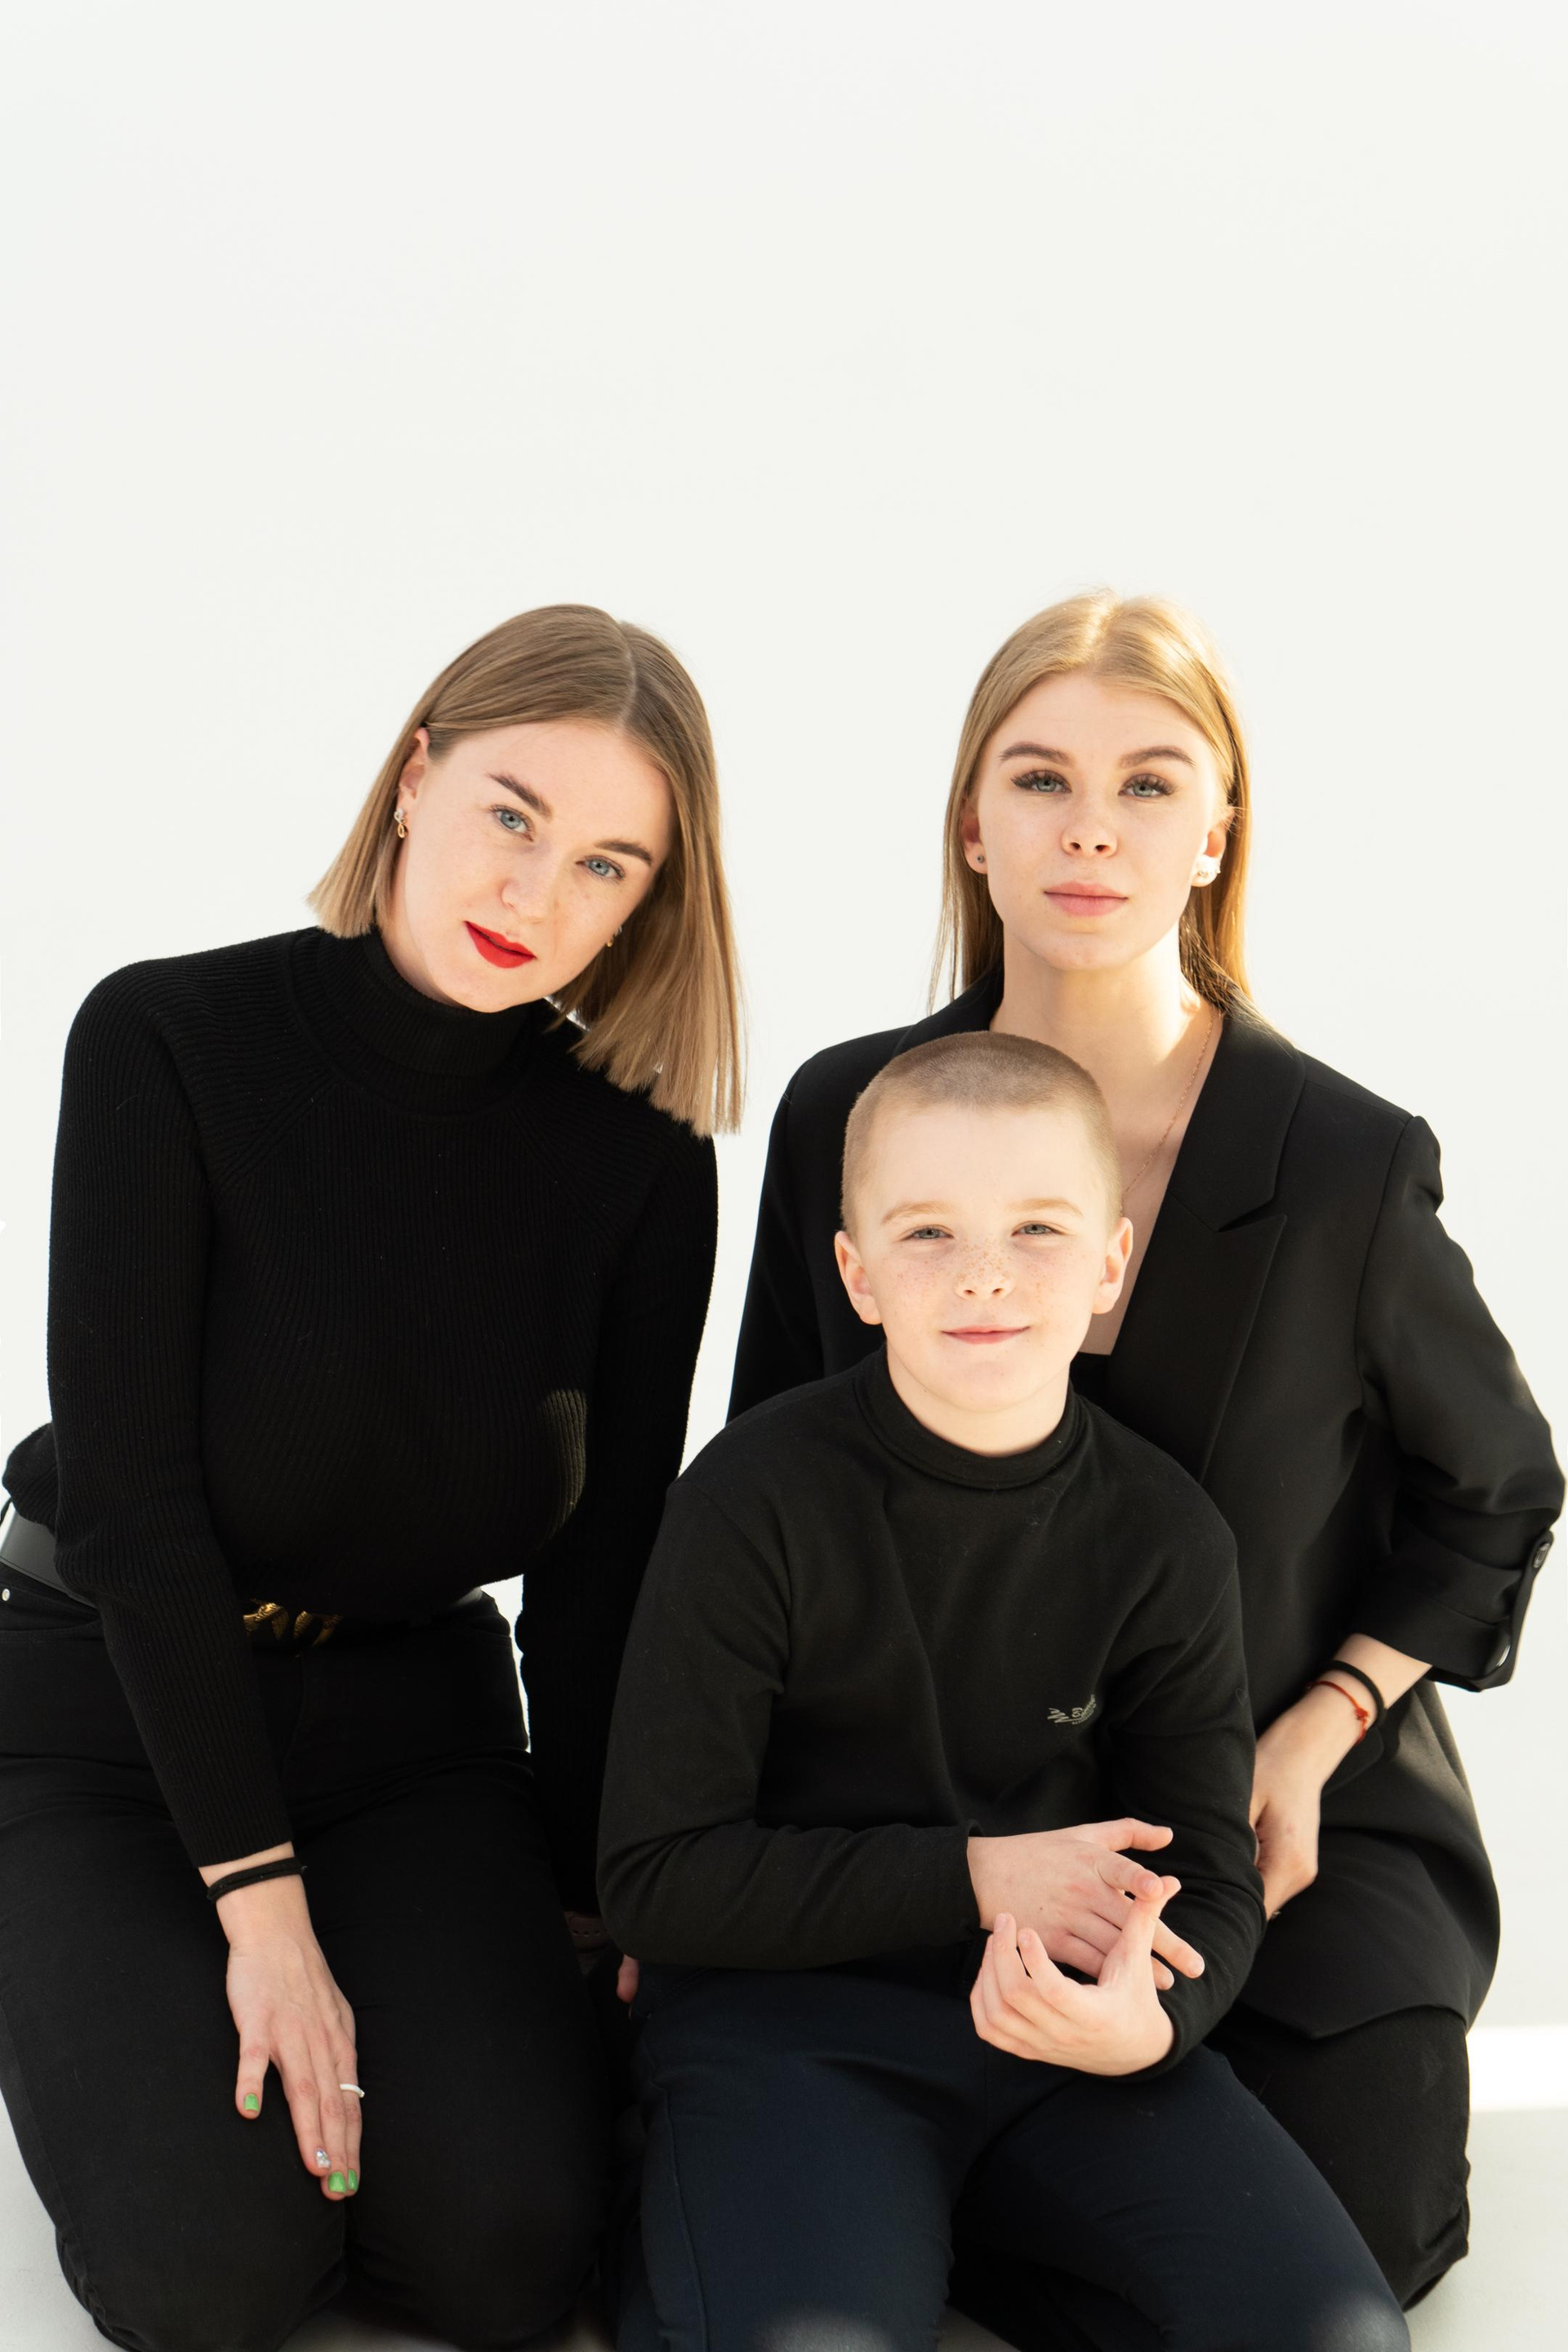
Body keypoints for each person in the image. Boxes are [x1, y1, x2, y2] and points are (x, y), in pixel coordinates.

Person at [725, 590, 1561, 2319]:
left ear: (1218, 831)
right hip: (945, 1825)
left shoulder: (1343, 1162)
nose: (1092, 828)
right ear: (973, 826)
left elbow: (1497, 1492)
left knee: (1357, 2243)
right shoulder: (847, 1116)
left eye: (1150, 783)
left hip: (1283, 1818)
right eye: (1040, 778)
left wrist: (1317, 1732)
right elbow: (763, 1487)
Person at [0, 604, 742, 2352]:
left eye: (608, 865)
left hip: (413, 1732)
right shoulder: (167, 1041)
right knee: (213, 2279)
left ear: (649, 904)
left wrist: (589, 1901)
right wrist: (261, 1911)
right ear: (415, 778)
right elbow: (138, 1513)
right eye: (511, 815)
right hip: (105, 1711)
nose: (536, 893)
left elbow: (603, 1569)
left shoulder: (642, 1155)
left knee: (511, 2259)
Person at [599, 1033, 1408, 2352]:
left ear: (1110, 1264)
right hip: (789, 2026)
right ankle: (742, 2228)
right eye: (928, 1234)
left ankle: (935, 2230)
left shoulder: (1164, 1532)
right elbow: (656, 1877)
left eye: (1038, 1228)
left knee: (1336, 2336)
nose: (984, 1273)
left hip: (1063, 2033)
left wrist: (1147, 2025)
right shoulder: (750, 1499)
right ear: (856, 1274)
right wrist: (978, 1877)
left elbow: (1210, 1870)